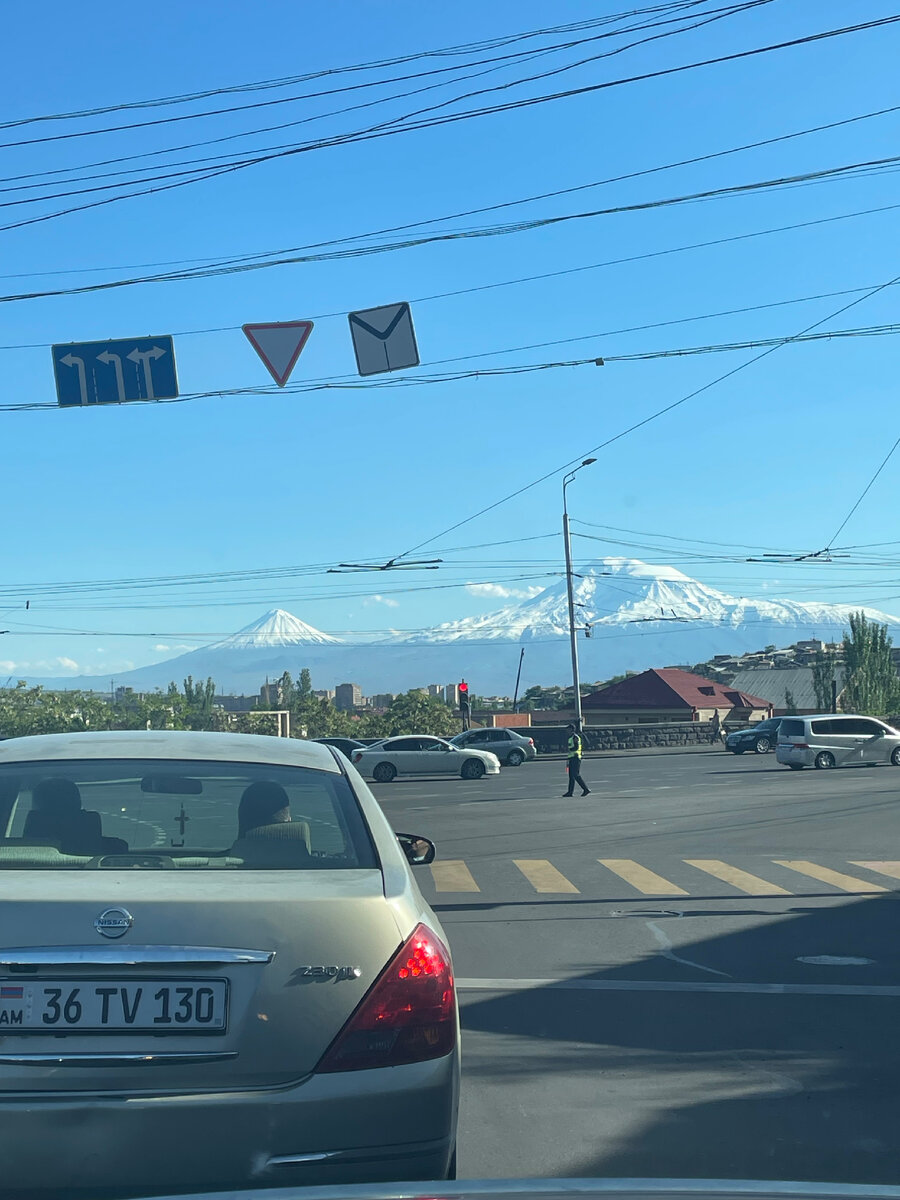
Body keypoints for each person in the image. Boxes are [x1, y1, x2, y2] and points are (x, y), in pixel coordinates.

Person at [563, 723, 590, 797]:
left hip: (576, 757)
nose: (567, 731)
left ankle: (585, 789)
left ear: (571, 730)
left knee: (576, 775)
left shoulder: (575, 737)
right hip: (571, 757)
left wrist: (569, 749)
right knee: (571, 776)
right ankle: (570, 792)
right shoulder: (570, 738)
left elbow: (576, 747)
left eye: (568, 729)